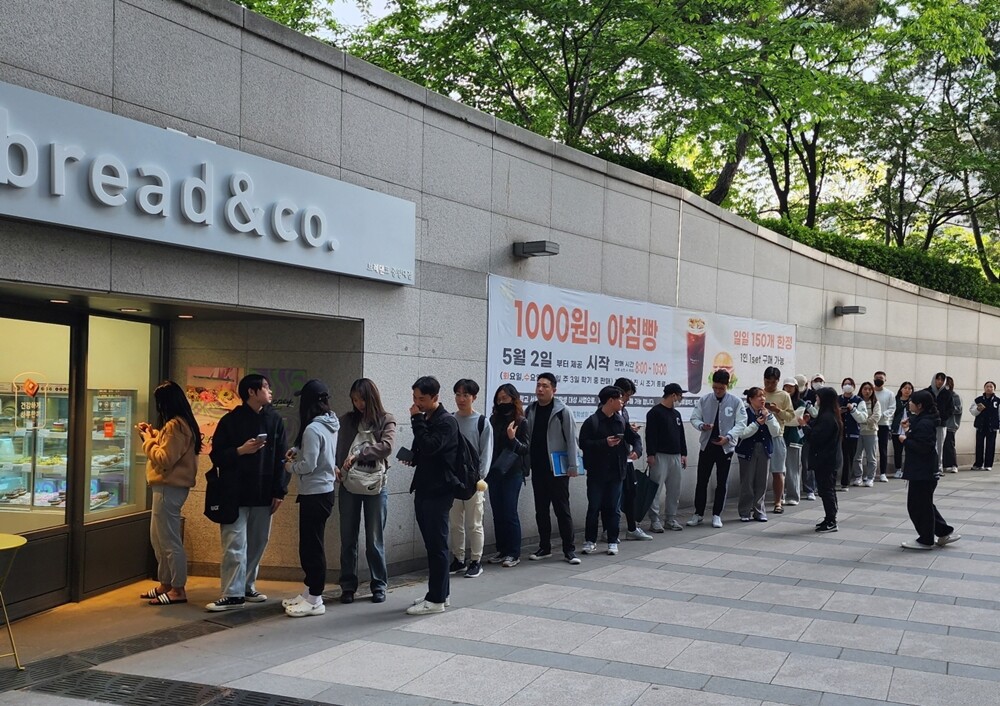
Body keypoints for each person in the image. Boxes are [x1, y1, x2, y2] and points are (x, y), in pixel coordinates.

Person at [207, 374, 288, 611]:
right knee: (234, 543)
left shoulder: (274, 419)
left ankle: (246, 586)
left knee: (258, 542)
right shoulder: (230, 420)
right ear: (252, 392)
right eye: (266, 387)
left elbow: (282, 458)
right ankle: (232, 593)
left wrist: (280, 491)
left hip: (264, 492)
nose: (270, 391)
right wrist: (240, 451)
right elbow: (216, 456)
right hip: (234, 492)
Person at [138, 380, 201, 606]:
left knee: (169, 540)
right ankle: (166, 583)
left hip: (168, 488)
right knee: (158, 538)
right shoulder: (182, 424)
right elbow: (169, 448)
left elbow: (165, 458)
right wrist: (154, 435)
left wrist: (147, 442)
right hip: (168, 488)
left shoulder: (176, 425)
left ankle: (177, 589)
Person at [336, 378, 396, 605]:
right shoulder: (346, 420)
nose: (358, 404)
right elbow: (335, 445)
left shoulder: (386, 419)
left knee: (374, 539)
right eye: (354, 400)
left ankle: (379, 584)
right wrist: (336, 466)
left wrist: (359, 455)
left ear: (371, 398)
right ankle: (347, 586)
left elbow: (387, 446)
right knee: (347, 538)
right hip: (349, 484)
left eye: (361, 399)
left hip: (376, 485)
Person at [406, 376, 462, 615]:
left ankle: (436, 600)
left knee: (437, 545)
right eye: (414, 397)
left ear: (435, 397)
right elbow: (425, 450)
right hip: (425, 486)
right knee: (432, 545)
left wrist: (416, 420)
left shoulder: (446, 421)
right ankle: (440, 593)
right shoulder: (428, 418)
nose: (416, 403)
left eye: (422, 398)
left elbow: (431, 445)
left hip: (439, 490)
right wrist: (412, 457)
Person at [282, 379, 338, 617]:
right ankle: (308, 592)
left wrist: (289, 467)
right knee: (311, 544)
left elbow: (309, 465)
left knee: (312, 547)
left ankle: (315, 598)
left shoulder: (313, 428)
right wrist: (297, 450)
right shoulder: (330, 422)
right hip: (324, 492)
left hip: (314, 493)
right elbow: (320, 452)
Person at [525, 373, 581, 565]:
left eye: (545, 386)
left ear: (554, 390)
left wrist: (573, 465)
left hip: (557, 469)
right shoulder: (530, 410)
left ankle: (569, 550)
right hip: (538, 467)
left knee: (562, 509)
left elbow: (572, 440)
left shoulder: (562, 411)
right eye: (538, 385)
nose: (540, 389)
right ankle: (545, 547)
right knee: (541, 510)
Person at [899, 389, 961, 550]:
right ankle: (943, 532)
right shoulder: (923, 419)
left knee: (918, 506)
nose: (909, 403)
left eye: (912, 401)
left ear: (919, 405)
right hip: (923, 471)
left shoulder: (925, 422)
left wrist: (905, 440)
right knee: (925, 504)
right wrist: (908, 431)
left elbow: (923, 447)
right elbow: (920, 439)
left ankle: (926, 539)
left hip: (923, 472)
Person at [580, 386, 638, 555]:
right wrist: (604, 442)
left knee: (613, 507)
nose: (622, 402)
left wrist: (637, 450)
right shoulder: (592, 421)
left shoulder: (620, 421)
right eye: (619, 399)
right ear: (610, 401)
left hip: (616, 472)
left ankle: (613, 540)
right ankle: (590, 540)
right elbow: (583, 443)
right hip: (596, 472)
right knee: (594, 507)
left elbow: (634, 438)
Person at [688, 369, 747, 528]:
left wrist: (728, 437)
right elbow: (694, 417)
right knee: (702, 480)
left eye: (721, 388)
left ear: (727, 386)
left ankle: (717, 514)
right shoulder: (705, 399)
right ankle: (698, 513)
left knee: (722, 481)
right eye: (715, 387)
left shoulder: (736, 402)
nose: (717, 391)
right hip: (707, 445)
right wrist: (702, 425)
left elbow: (741, 423)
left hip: (725, 447)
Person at [449, 379, 494, 578]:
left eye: (465, 395)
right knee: (455, 523)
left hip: (474, 481)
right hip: (453, 480)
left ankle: (476, 560)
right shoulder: (450, 419)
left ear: (474, 397)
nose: (461, 399)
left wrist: (480, 478)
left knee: (474, 523)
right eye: (458, 394)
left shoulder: (482, 422)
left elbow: (486, 453)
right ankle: (458, 559)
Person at [485, 384, 529, 567]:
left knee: (509, 512)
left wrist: (512, 438)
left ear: (513, 399)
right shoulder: (493, 419)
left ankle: (513, 553)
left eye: (505, 398)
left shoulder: (521, 421)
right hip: (495, 471)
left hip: (513, 472)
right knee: (498, 513)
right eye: (499, 399)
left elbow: (525, 449)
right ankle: (502, 550)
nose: (501, 402)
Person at [645, 383, 687, 532]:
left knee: (674, 489)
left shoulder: (676, 414)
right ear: (673, 395)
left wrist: (684, 454)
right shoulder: (654, 413)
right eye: (680, 396)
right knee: (656, 489)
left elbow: (681, 435)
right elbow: (650, 435)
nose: (680, 399)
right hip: (659, 456)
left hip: (675, 456)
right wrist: (651, 454)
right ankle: (654, 520)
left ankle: (670, 518)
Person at [736, 387, 781, 522]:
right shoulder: (744, 412)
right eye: (759, 396)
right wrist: (756, 424)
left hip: (764, 450)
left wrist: (769, 418)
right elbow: (742, 434)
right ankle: (744, 511)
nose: (762, 399)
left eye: (763, 396)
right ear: (751, 399)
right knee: (747, 482)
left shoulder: (767, 413)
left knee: (762, 482)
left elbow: (776, 432)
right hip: (747, 450)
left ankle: (759, 511)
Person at [614, 378, 651, 541]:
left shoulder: (624, 411)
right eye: (626, 395)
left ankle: (632, 528)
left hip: (626, 459)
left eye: (629, 396)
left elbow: (630, 435)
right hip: (611, 461)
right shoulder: (605, 411)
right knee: (612, 497)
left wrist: (636, 449)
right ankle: (609, 530)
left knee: (630, 493)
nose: (627, 399)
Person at [809, 387, 843, 533]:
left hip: (826, 459)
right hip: (828, 458)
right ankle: (829, 517)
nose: (816, 399)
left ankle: (831, 520)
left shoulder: (827, 417)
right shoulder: (829, 415)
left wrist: (804, 427)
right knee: (827, 489)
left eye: (818, 397)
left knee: (827, 490)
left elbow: (817, 437)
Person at [762, 367, 795, 514]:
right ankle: (757, 503)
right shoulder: (759, 393)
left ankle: (778, 502)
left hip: (777, 436)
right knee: (759, 473)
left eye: (773, 383)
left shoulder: (784, 395)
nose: (770, 385)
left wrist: (777, 410)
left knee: (778, 471)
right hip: (760, 435)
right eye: (767, 382)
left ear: (778, 381)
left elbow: (790, 416)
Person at [838, 377, 866, 491]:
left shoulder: (859, 400)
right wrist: (838, 412)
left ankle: (845, 483)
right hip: (838, 434)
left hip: (852, 434)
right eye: (845, 384)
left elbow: (862, 418)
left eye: (850, 384)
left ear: (854, 386)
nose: (847, 386)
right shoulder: (837, 399)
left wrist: (853, 410)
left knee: (848, 458)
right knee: (837, 457)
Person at [781, 378, 806, 506]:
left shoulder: (801, 403)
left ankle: (793, 496)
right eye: (786, 386)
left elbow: (795, 420)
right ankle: (780, 495)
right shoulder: (780, 401)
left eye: (791, 386)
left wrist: (780, 417)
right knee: (779, 469)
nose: (788, 389)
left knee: (792, 468)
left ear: (796, 388)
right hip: (780, 436)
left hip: (794, 438)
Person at [852, 381, 881, 487]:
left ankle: (870, 478)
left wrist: (862, 420)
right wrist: (861, 419)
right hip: (858, 432)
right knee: (857, 456)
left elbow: (876, 417)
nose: (867, 391)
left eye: (869, 389)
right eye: (865, 389)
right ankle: (858, 477)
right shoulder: (857, 401)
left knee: (871, 457)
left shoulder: (875, 403)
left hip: (871, 432)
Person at [926, 372, 953, 474]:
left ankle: (938, 466)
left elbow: (951, 409)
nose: (939, 382)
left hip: (941, 424)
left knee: (939, 446)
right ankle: (929, 465)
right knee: (928, 445)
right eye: (938, 379)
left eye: (942, 380)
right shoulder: (927, 392)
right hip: (928, 423)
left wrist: (943, 417)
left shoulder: (947, 393)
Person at [971, 381, 999, 471]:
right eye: (987, 386)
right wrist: (978, 409)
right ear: (984, 388)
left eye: (991, 387)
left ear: (994, 389)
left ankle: (988, 465)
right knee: (979, 445)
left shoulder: (997, 401)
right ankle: (978, 464)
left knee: (990, 446)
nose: (989, 388)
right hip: (980, 426)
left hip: (992, 427)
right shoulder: (978, 399)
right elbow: (972, 411)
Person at [872, 371, 896, 482]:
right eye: (877, 378)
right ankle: (870, 473)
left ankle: (882, 473)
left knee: (883, 449)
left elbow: (892, 408)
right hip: (871, 424)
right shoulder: (870, 391)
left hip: (883, 424)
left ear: (885, 380)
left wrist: (882, 415)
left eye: (881, 378)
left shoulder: (889, 394)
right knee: (871, 450)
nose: (879, 379)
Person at [891, 382, 913, 478]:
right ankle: (898, 469)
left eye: (909, 388)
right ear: (901, 389)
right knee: (897, 450)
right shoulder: (895, 401)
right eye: (905, 388)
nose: (907, 390)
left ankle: (908, 469)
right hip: (897, 428)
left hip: (909, 428)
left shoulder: (913, 401)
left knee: (909, 450)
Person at [942, 376, 962, 473]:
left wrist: (949, 408)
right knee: (942, 445)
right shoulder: (941, 395)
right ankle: (945, 464)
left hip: (951, 424)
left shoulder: (955, 396)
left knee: (950, 445)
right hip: (942, 424)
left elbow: (959, 409)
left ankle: (954, 464)